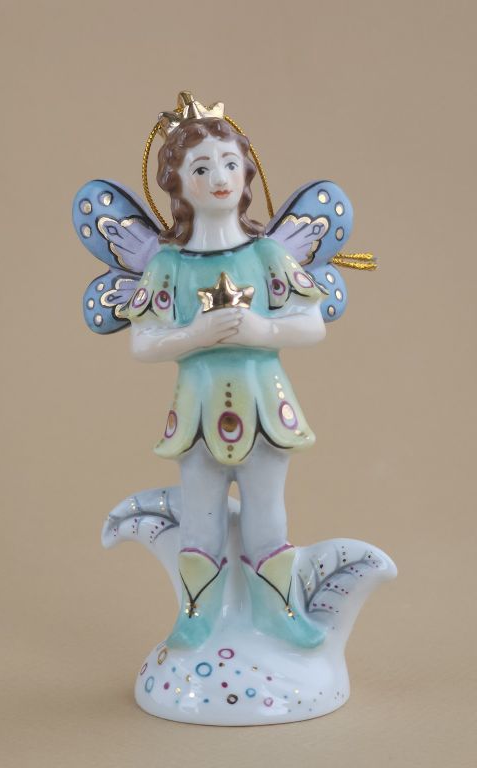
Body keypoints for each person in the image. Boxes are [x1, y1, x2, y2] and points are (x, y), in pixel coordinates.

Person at [126, 112, 327, 648]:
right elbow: (142, 341)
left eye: (230, 163)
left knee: (268, 516)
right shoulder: (169, 266)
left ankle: (278, 612)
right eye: (201, 167)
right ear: (176, 184)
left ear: (246, 174)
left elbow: (312, 324)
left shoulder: (268, 255)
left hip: (264, 407)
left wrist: (263, 329)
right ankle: (197, 613)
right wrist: (194, 335)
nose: (219, 176)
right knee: (201, 518)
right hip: (198, 411)